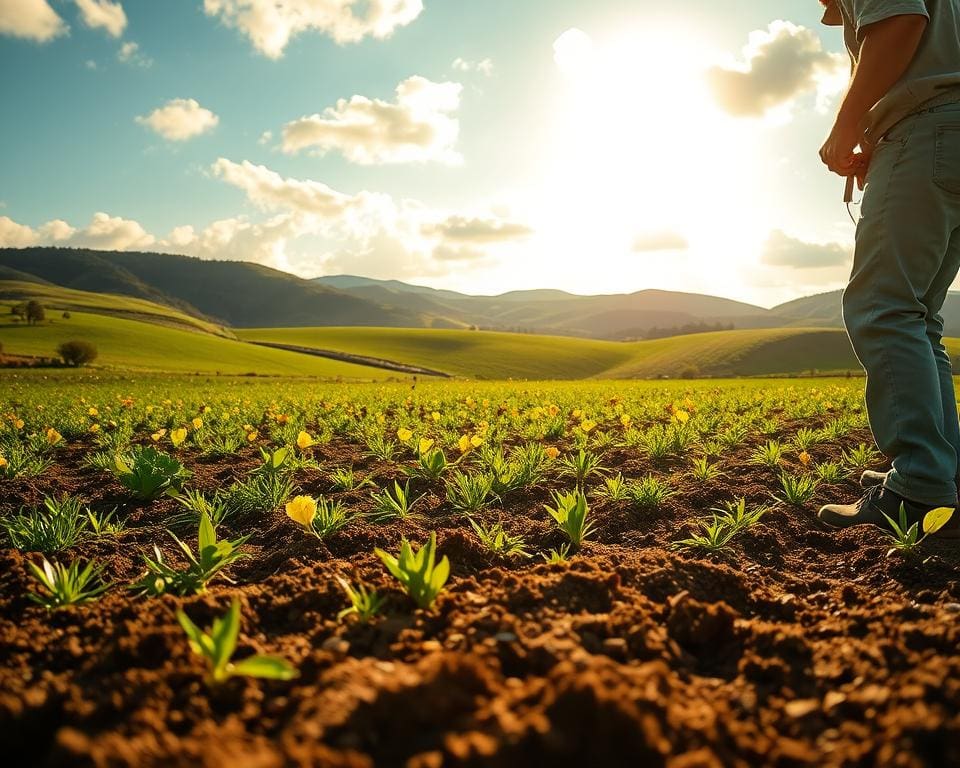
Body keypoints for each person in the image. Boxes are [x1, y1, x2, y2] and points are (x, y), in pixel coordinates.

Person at [816, 0, 960, 537]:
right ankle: (943, 474)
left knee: (882, 307)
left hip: (924, 130)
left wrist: (845, 129)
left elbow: (900, 23)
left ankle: (919, 486)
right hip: (945, 134)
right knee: (920, 317)